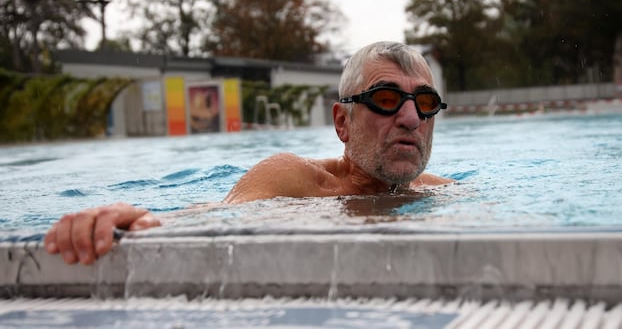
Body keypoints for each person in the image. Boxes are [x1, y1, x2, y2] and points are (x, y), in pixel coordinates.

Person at [44, 41, 452, 265]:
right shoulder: (293, 179)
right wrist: (139, 218)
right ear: (341, 123)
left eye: (426, 102)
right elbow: (213, 217)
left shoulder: (438, 192)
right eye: (386, 98)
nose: (411, 119)